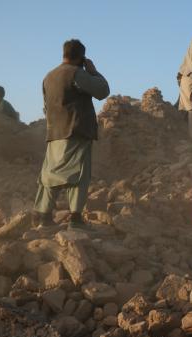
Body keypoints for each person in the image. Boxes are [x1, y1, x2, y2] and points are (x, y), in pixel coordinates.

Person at [33, 39, 110, 230]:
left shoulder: (48, 77)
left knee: (50, 174)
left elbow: (46, 106)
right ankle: (75, 218)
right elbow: (102, 91)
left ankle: (44, 217)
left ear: (64, 54)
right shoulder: (77, 73)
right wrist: (92, 70)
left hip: (54, 133)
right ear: (81, 57)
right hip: (76, 131)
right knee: (79, 174)